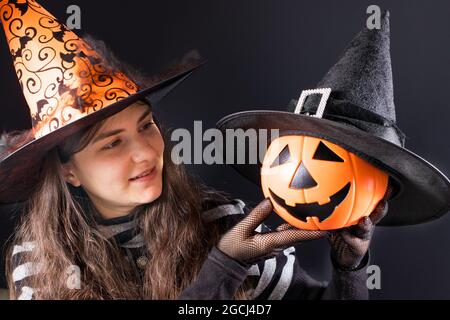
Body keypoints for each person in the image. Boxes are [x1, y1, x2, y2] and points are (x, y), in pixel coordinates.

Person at [0, 0, 386, 300]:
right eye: (112, 142)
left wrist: (349, 268)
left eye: (145, 126)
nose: (147, 152)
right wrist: (224, 267)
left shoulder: (221, 221)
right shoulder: (37, 261)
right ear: (69, 170)